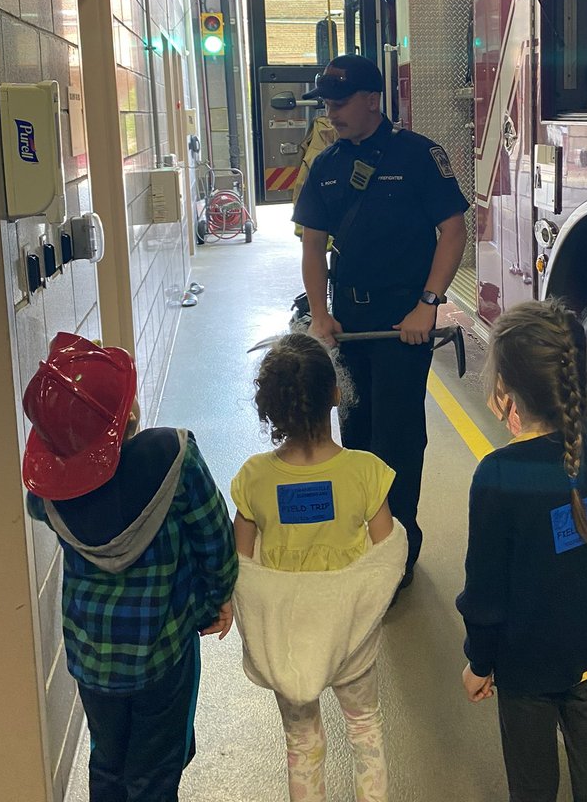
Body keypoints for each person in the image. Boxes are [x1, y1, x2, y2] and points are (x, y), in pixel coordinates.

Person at [23, 332, 238, 802]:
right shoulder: (173, 457)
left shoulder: (49, 495)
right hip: (163, 653)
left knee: (107, 760)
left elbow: (39, 505)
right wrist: (217, 597)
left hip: (91, 658)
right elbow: (214, 535)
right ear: (127, 413)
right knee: (156, 768)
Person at [293, 53, 469, 587]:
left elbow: (454, 232)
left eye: (340, 102)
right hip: (348, 327)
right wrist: (321, 316)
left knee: (397, 439)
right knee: (357, 436)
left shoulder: (418, 156)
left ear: (373, 100)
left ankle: (399, 553)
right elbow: (313, 246)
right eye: (326, 103)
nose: (332, 112)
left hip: (402, 325)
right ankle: (367, 539)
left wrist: (428, 304)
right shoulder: (325, 165)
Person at [456, 301, 587, 802]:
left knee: (533, 785)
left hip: (526, 664)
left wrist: (479, 661)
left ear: (508, 388)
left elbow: (486, 591)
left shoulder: (498, 475)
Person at [230, 332, 407, 802]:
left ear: (272, 408)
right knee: (365, 729)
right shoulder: (367, 471)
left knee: (302, 744)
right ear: (336, 392)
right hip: (350, 636)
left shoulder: (253, 478)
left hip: (287, 637)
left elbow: (242, 567)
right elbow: (386, 556)